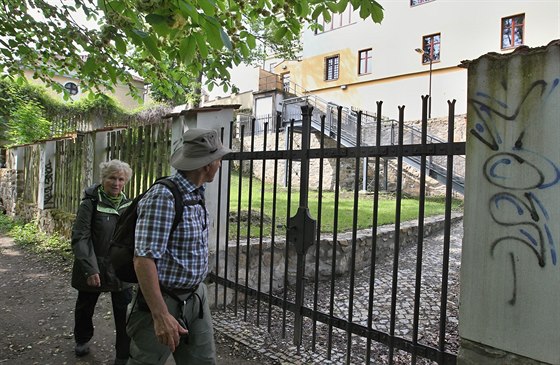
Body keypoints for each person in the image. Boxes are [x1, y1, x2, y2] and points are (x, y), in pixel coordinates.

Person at [126, 128, 230, 365]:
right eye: (218, 160)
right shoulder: (164, 197)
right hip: (163, 300)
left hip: (196, 297)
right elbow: (143, 259)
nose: (220, 164)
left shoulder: (196, 193)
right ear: (206, 165)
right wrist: (160, 315)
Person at [71, 159, 134, 365]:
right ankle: (82, 339)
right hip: (94, 265)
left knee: (124, 312)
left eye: (121, 179)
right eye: (112, 178)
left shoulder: (129, 205)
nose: (116, 183)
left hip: (120, 268)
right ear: (103, 179)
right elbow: (81, 237)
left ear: (125, 182)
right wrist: (89, 269)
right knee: (85, 306)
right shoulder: (90, 203)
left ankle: (123, 353)